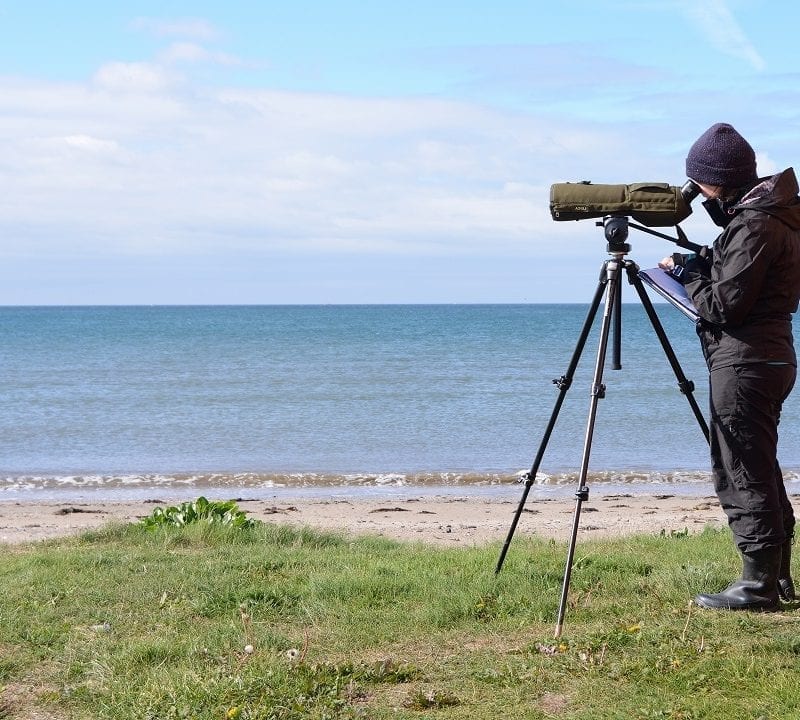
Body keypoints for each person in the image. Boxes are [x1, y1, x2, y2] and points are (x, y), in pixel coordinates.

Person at [659, 122, 800, 611]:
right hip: (770, 355)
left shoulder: (756, 222)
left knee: (740, 467)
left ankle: (758, 586)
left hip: (746, 360)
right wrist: (700, 260)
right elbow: (739, 274)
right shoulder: (770, 214)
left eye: (699, 186)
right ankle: (776, 576)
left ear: (715, 183)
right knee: (757, 463)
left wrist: (685, 276)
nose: (696, 196)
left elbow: (722, 306)